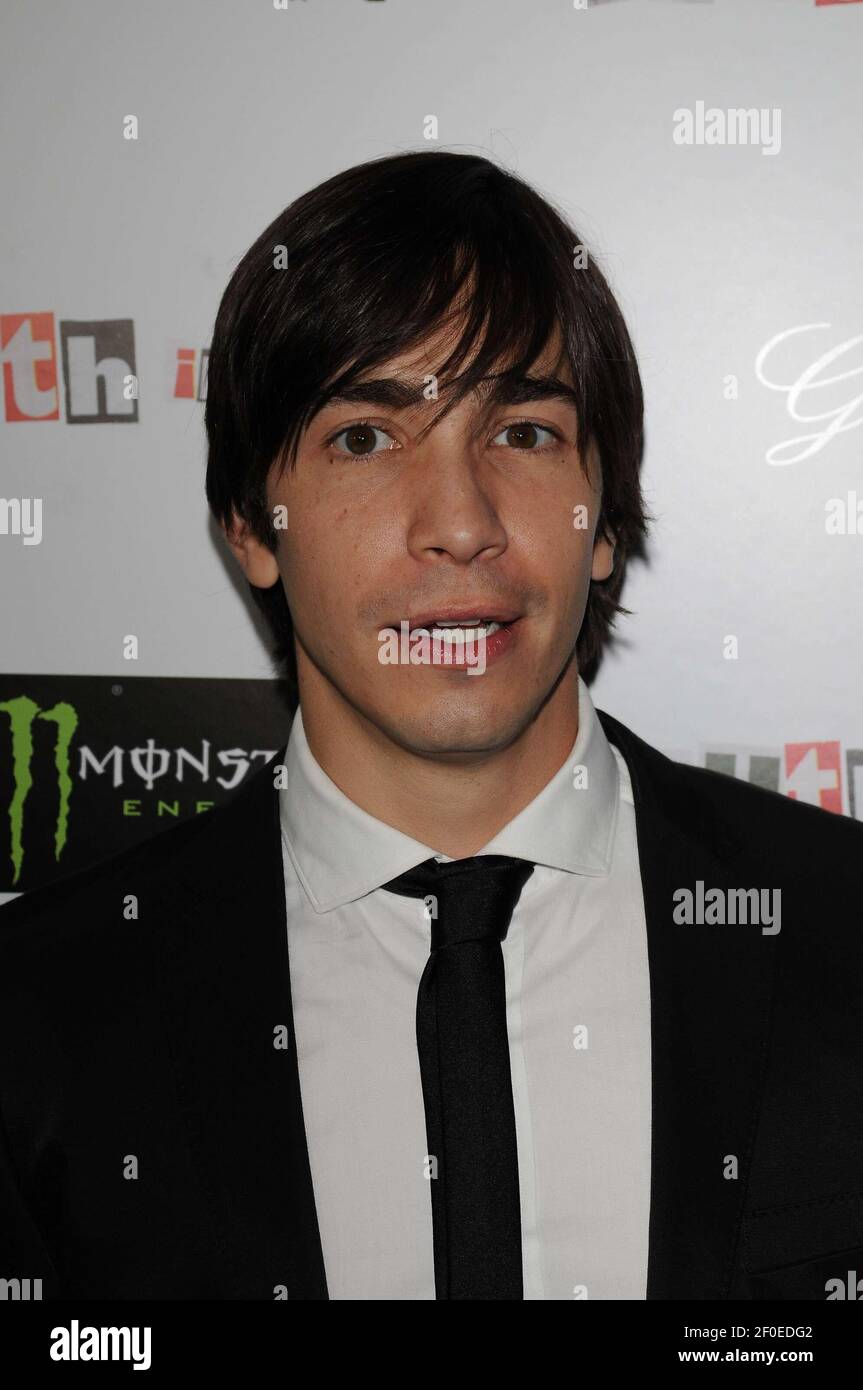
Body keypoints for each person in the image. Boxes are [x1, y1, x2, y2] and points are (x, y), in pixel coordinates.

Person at [1, 151, 861, 1302]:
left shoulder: (839, 931)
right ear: (251, 526)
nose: (458, 525)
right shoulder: (41, 1014)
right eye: (364, 435)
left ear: (601, 517)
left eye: (522, 432)